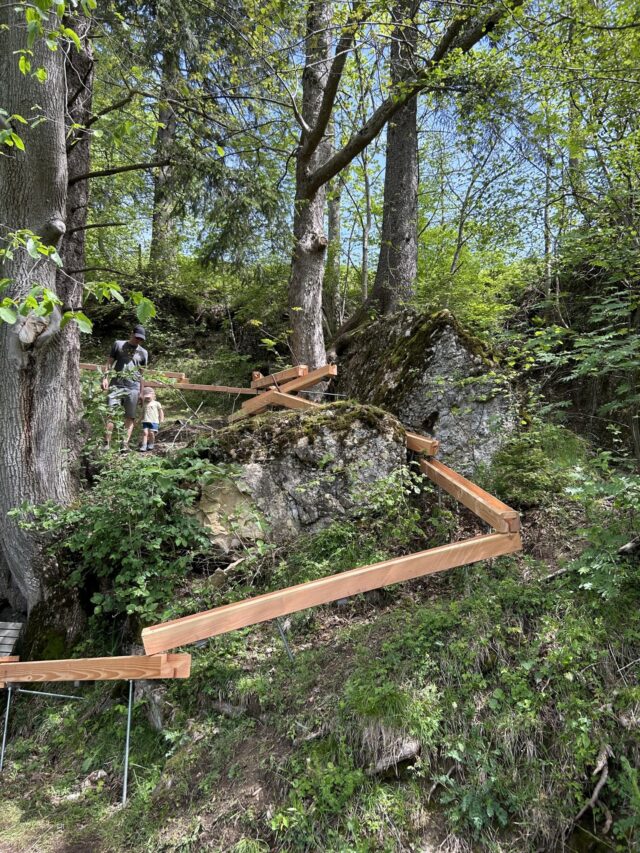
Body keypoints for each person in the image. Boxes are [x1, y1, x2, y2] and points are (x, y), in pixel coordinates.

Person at [102, 324, 148, 451]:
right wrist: (105, 378)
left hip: (133, 387)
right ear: (131, 333)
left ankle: (124, 445)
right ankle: (106, 443)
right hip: (116, 385)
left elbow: (142, 374)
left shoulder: (143, 352)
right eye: (136, 337)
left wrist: (141, 393)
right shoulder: (118, 344)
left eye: (141, 339)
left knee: (130, 416)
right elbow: (109, 363)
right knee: (110, 413)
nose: (138, 340)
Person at [139, 388, 164, 452]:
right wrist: (139, 420)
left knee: (151, 433)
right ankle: (144, 445)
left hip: (154, 421)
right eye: (146, 397)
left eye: (149, 397)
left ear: (153, 395)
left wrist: (161, 419)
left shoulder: (157, 403)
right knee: (145, 433)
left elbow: (160, 411)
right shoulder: (144, 404)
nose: (148, 398)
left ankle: (151, 443)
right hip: (145, 420)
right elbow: (142, 413)